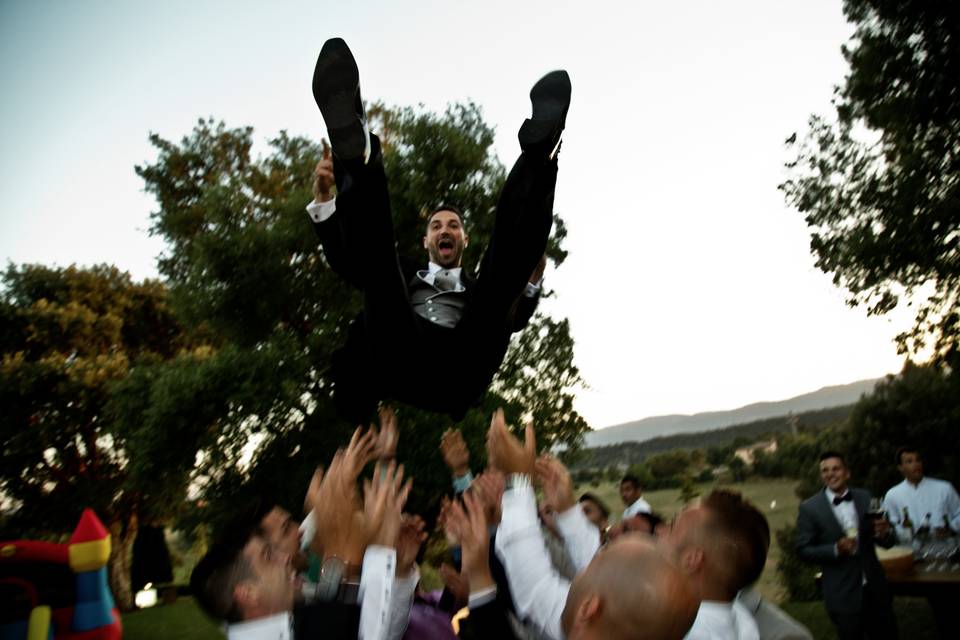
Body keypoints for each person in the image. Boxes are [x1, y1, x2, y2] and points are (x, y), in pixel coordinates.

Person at [307, 37, 570, 422]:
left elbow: (514, 317)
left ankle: (539, 155)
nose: (445, 230)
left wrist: (529, 281)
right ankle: (357, 156)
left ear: (463, 239)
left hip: (462, 368)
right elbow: (351, 261)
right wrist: (327, 204)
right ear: (426, 240)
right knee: (377, 269)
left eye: (453, 225)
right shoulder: (405, 273)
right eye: (436, 225)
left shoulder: (478, 289)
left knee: (501, 282)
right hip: (401, 354)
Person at [486, 409, 700, 640]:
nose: (588, 560)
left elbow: (535, 586)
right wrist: (567, 511)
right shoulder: (598, 623)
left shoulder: (580, 617)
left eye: (595, 563)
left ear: (588, 609)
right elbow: (539, 587)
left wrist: (517, 482)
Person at [795, 451, 898, 640]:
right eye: (825, 470)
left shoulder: (865, 497)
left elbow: (888, 542)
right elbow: (803, 550)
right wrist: (835, 549)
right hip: (842, 594)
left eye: (836, 468)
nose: (830, 474)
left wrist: (886, 532)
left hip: (876, 588)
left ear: (847, 473)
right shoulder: (809, 508)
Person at [657, 490, 769, 640]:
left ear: (691, 560)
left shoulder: (680, 630)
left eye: (671, 527)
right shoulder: (743, 621)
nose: (659, 530)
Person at [882, 446, 960, 541]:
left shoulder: (944, 488)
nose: (916, 464)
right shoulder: (892, 495)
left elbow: (958, 513)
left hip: (946, 548)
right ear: (901, 467)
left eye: (918, 460)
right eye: (910, 461)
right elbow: (891, 525)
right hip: (911, 551)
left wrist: (950, 528)